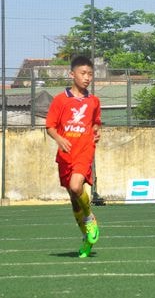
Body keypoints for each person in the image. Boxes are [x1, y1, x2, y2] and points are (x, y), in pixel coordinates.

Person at [46, 56, 101, 258]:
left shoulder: (94, 101)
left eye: (90, 74)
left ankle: (90, 218)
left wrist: (96, 130)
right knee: (74, 198)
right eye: (83, 73)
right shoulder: (60, 100)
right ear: (72, 74)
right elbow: (50, 126)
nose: (87, 78)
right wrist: (59, 139)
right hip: (65, 154)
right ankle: (86, 238)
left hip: (84, 150)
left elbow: (96, 123)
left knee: (77, 187)